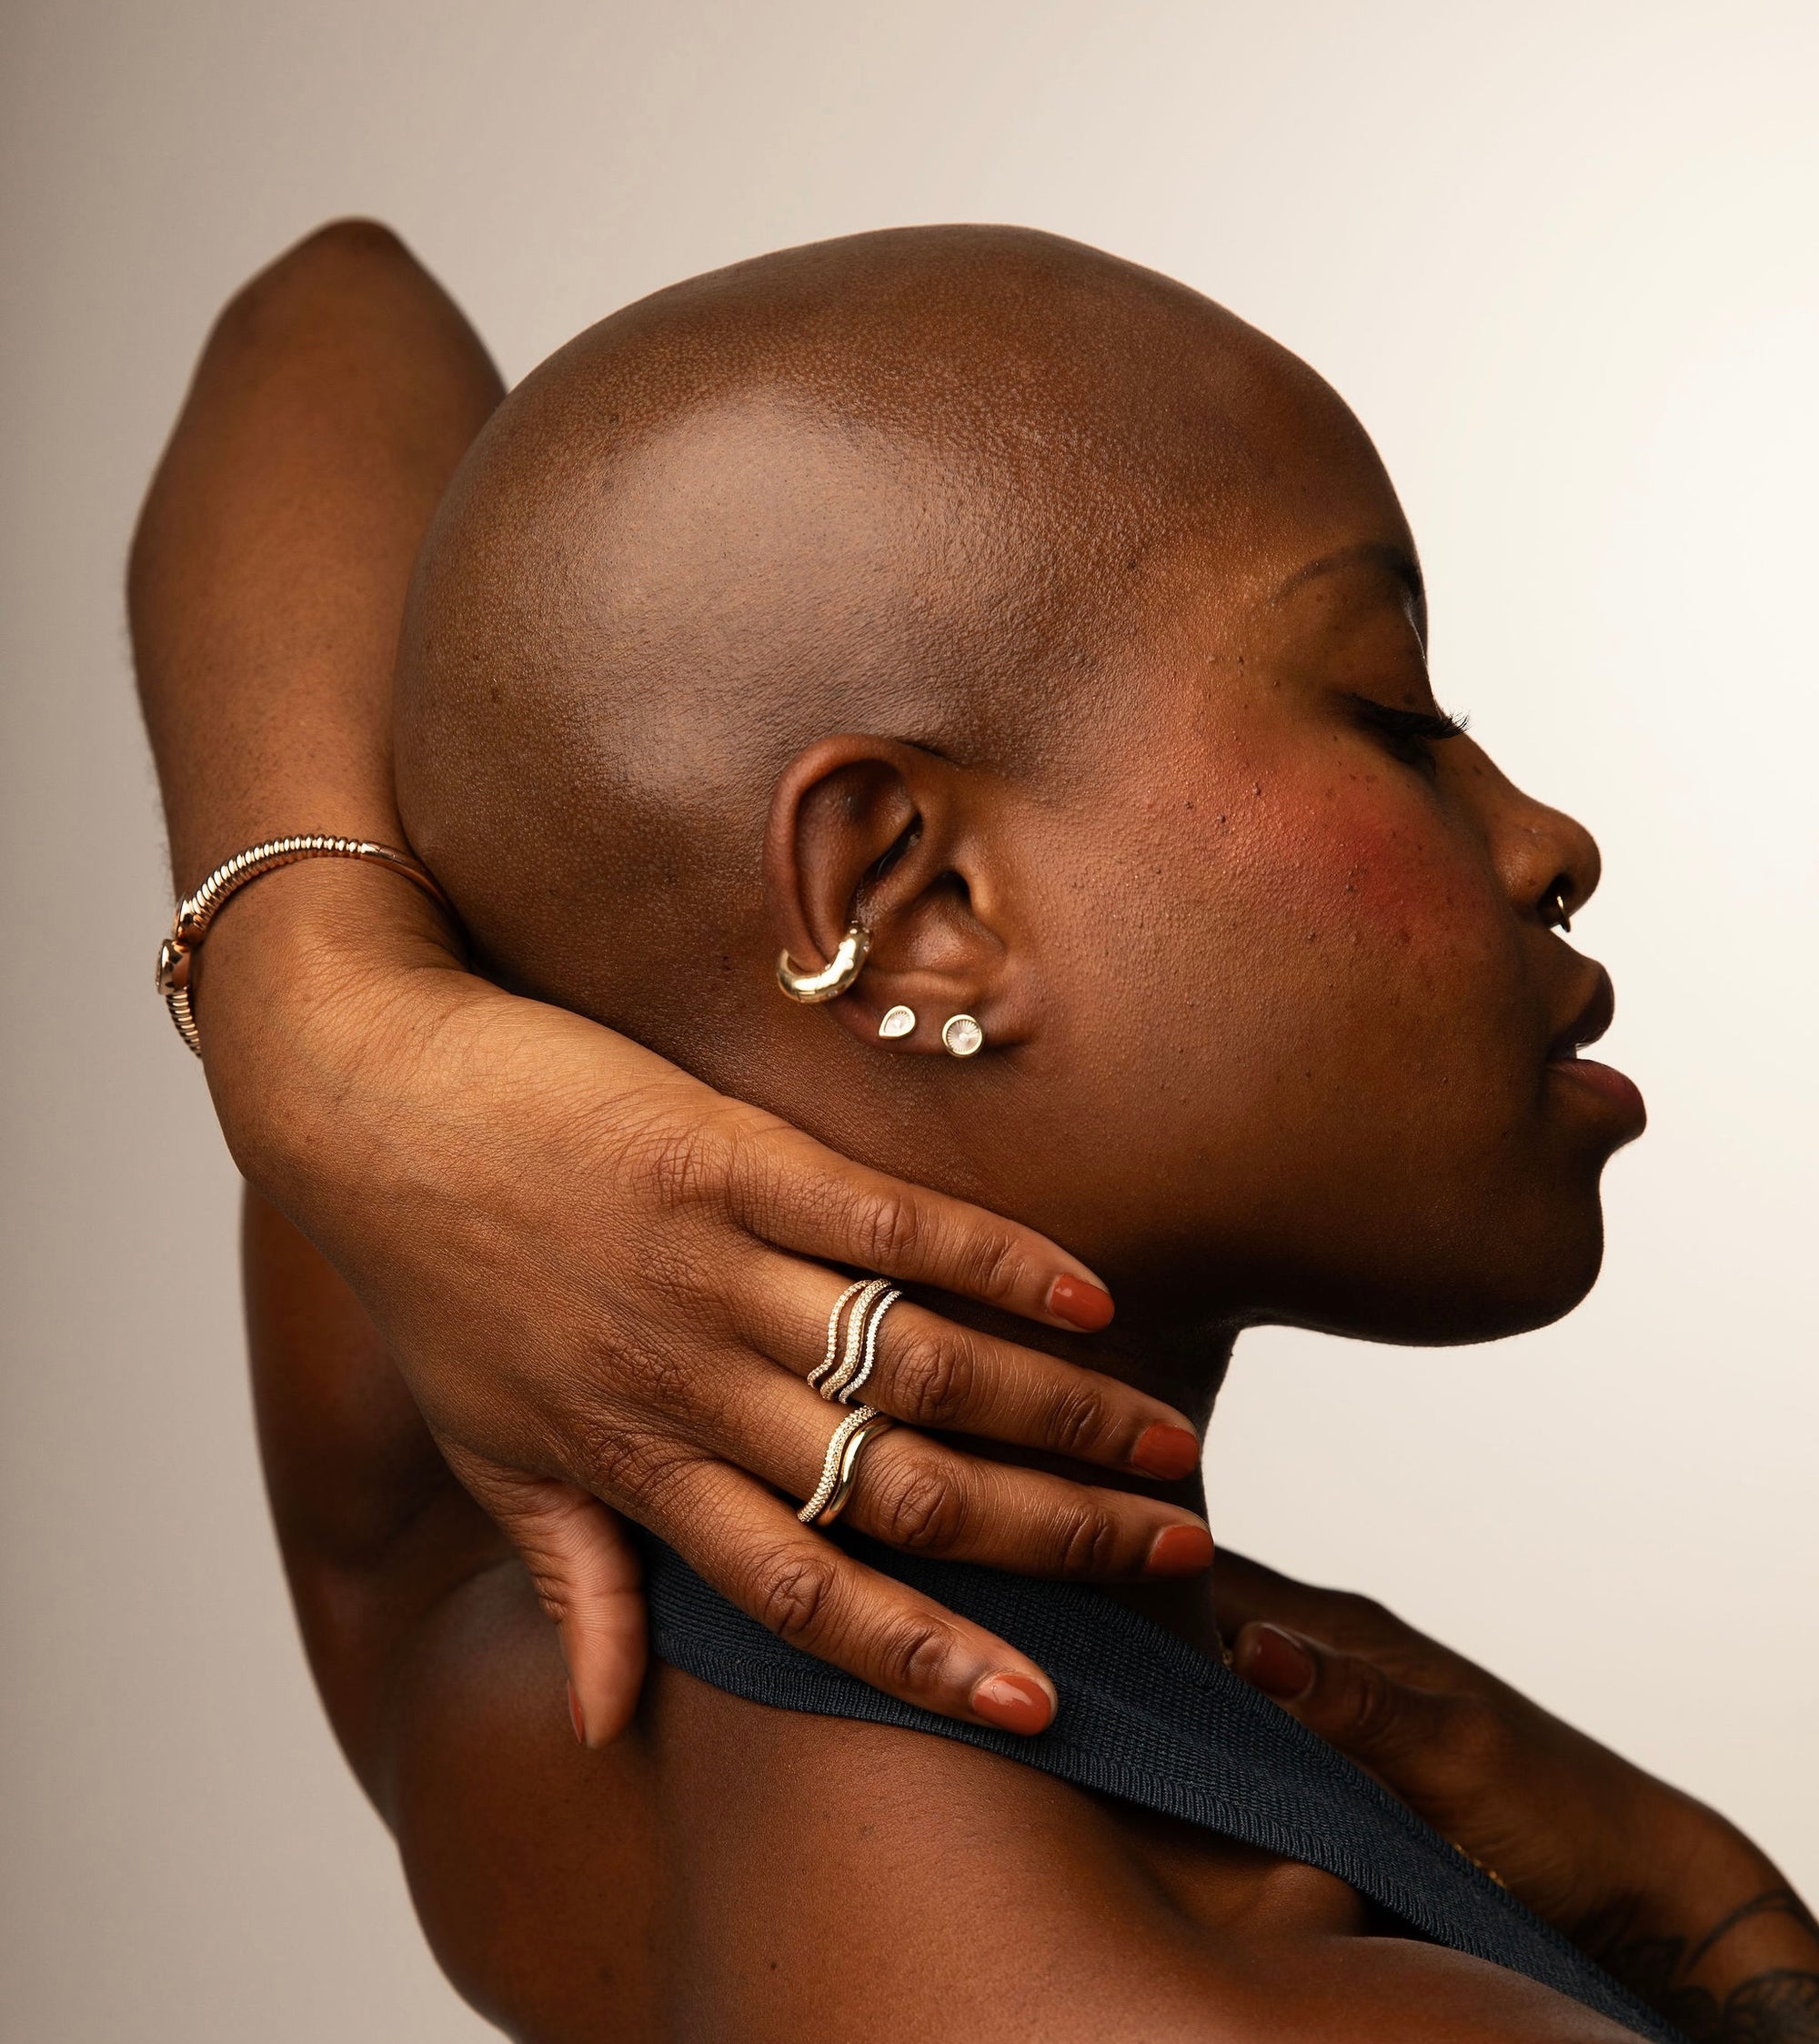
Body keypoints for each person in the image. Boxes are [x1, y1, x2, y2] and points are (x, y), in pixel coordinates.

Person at [179, 222, 1813, 2040]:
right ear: (912, 898)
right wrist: (1718, 1908)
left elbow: (329, 312)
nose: (1549, 840)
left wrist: (319, 1017)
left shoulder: (520, 1684)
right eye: (1393, 717)